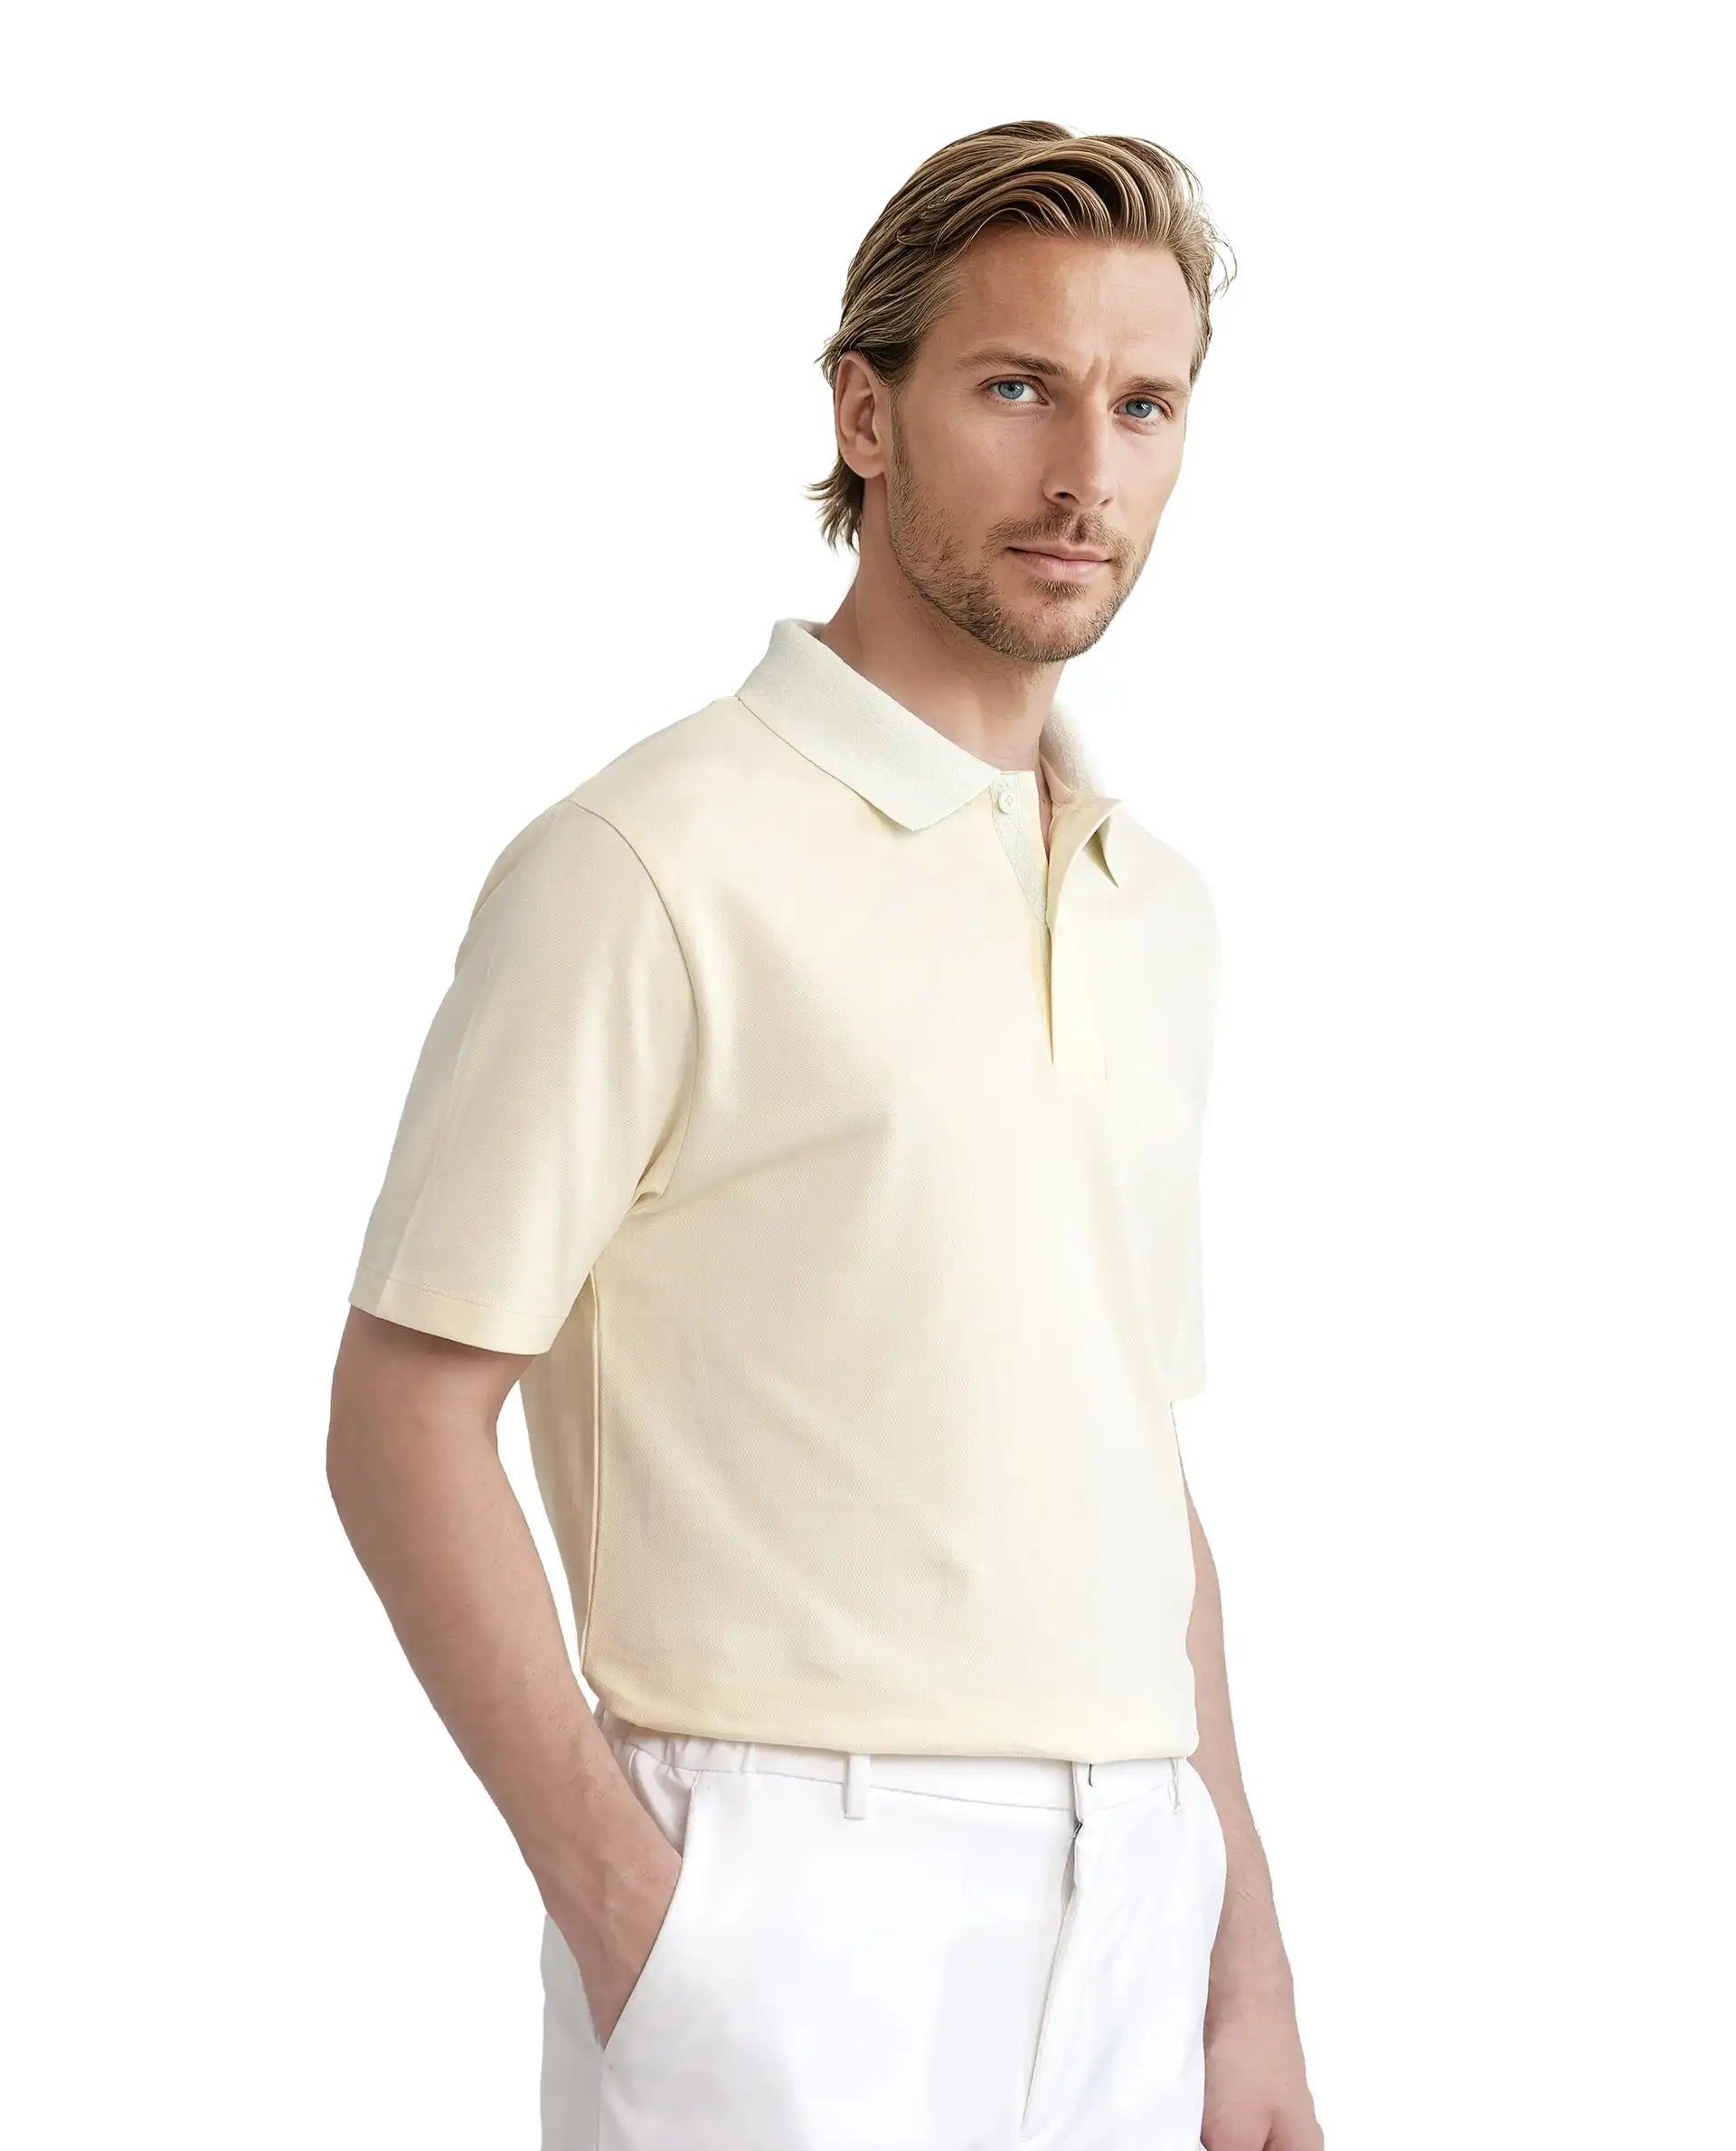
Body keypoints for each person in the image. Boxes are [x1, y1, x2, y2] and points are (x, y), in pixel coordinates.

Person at [327, 118, 1324, 2151]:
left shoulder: (1157, 906)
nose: (1089, 471)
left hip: (1139, 1891)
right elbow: (402, 1419)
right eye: (1019, 387)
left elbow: (1134, 1456)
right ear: (865, 415)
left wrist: (1250, 1974)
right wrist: (638, 1920)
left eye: (1145, 405)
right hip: (787, 1888)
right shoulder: (648, 861)